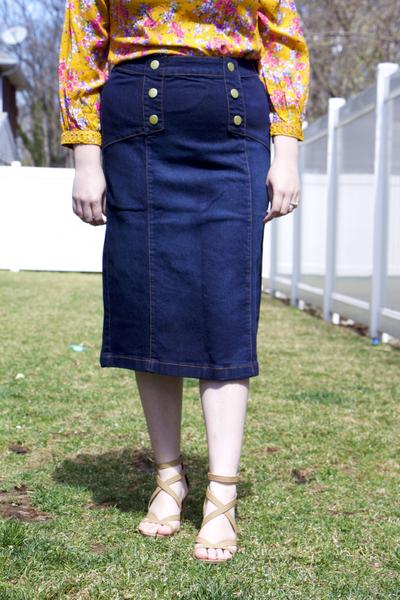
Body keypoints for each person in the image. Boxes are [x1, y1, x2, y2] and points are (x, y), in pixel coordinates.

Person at [58, 0, 310, 564]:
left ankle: (223, 489)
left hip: (234, 124)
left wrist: (288, 152)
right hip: (136, 127)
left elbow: (284, 40)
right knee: (153, 306)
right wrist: (85, 160)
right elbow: (83, 41)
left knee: (226, 307)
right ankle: (169, 475)